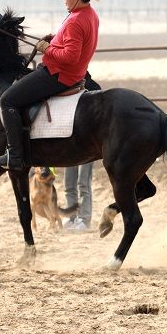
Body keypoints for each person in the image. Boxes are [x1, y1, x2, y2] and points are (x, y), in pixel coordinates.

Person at [0, 0, 100, 170]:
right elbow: (76, 43)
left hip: (59, 75)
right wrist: (56, 38)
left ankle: (14, 156)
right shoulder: (89, 14)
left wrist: (47, 48)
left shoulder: (74, 20)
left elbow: (71, 57)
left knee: (8, 100)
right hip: (73, 73)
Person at [62, 74, 102, 232]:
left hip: (87, 145)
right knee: (69, 184)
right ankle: (71, 217)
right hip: (68, 142)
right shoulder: (65, 86)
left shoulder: (93, 88)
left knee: (83, 183)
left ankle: (84, 219)